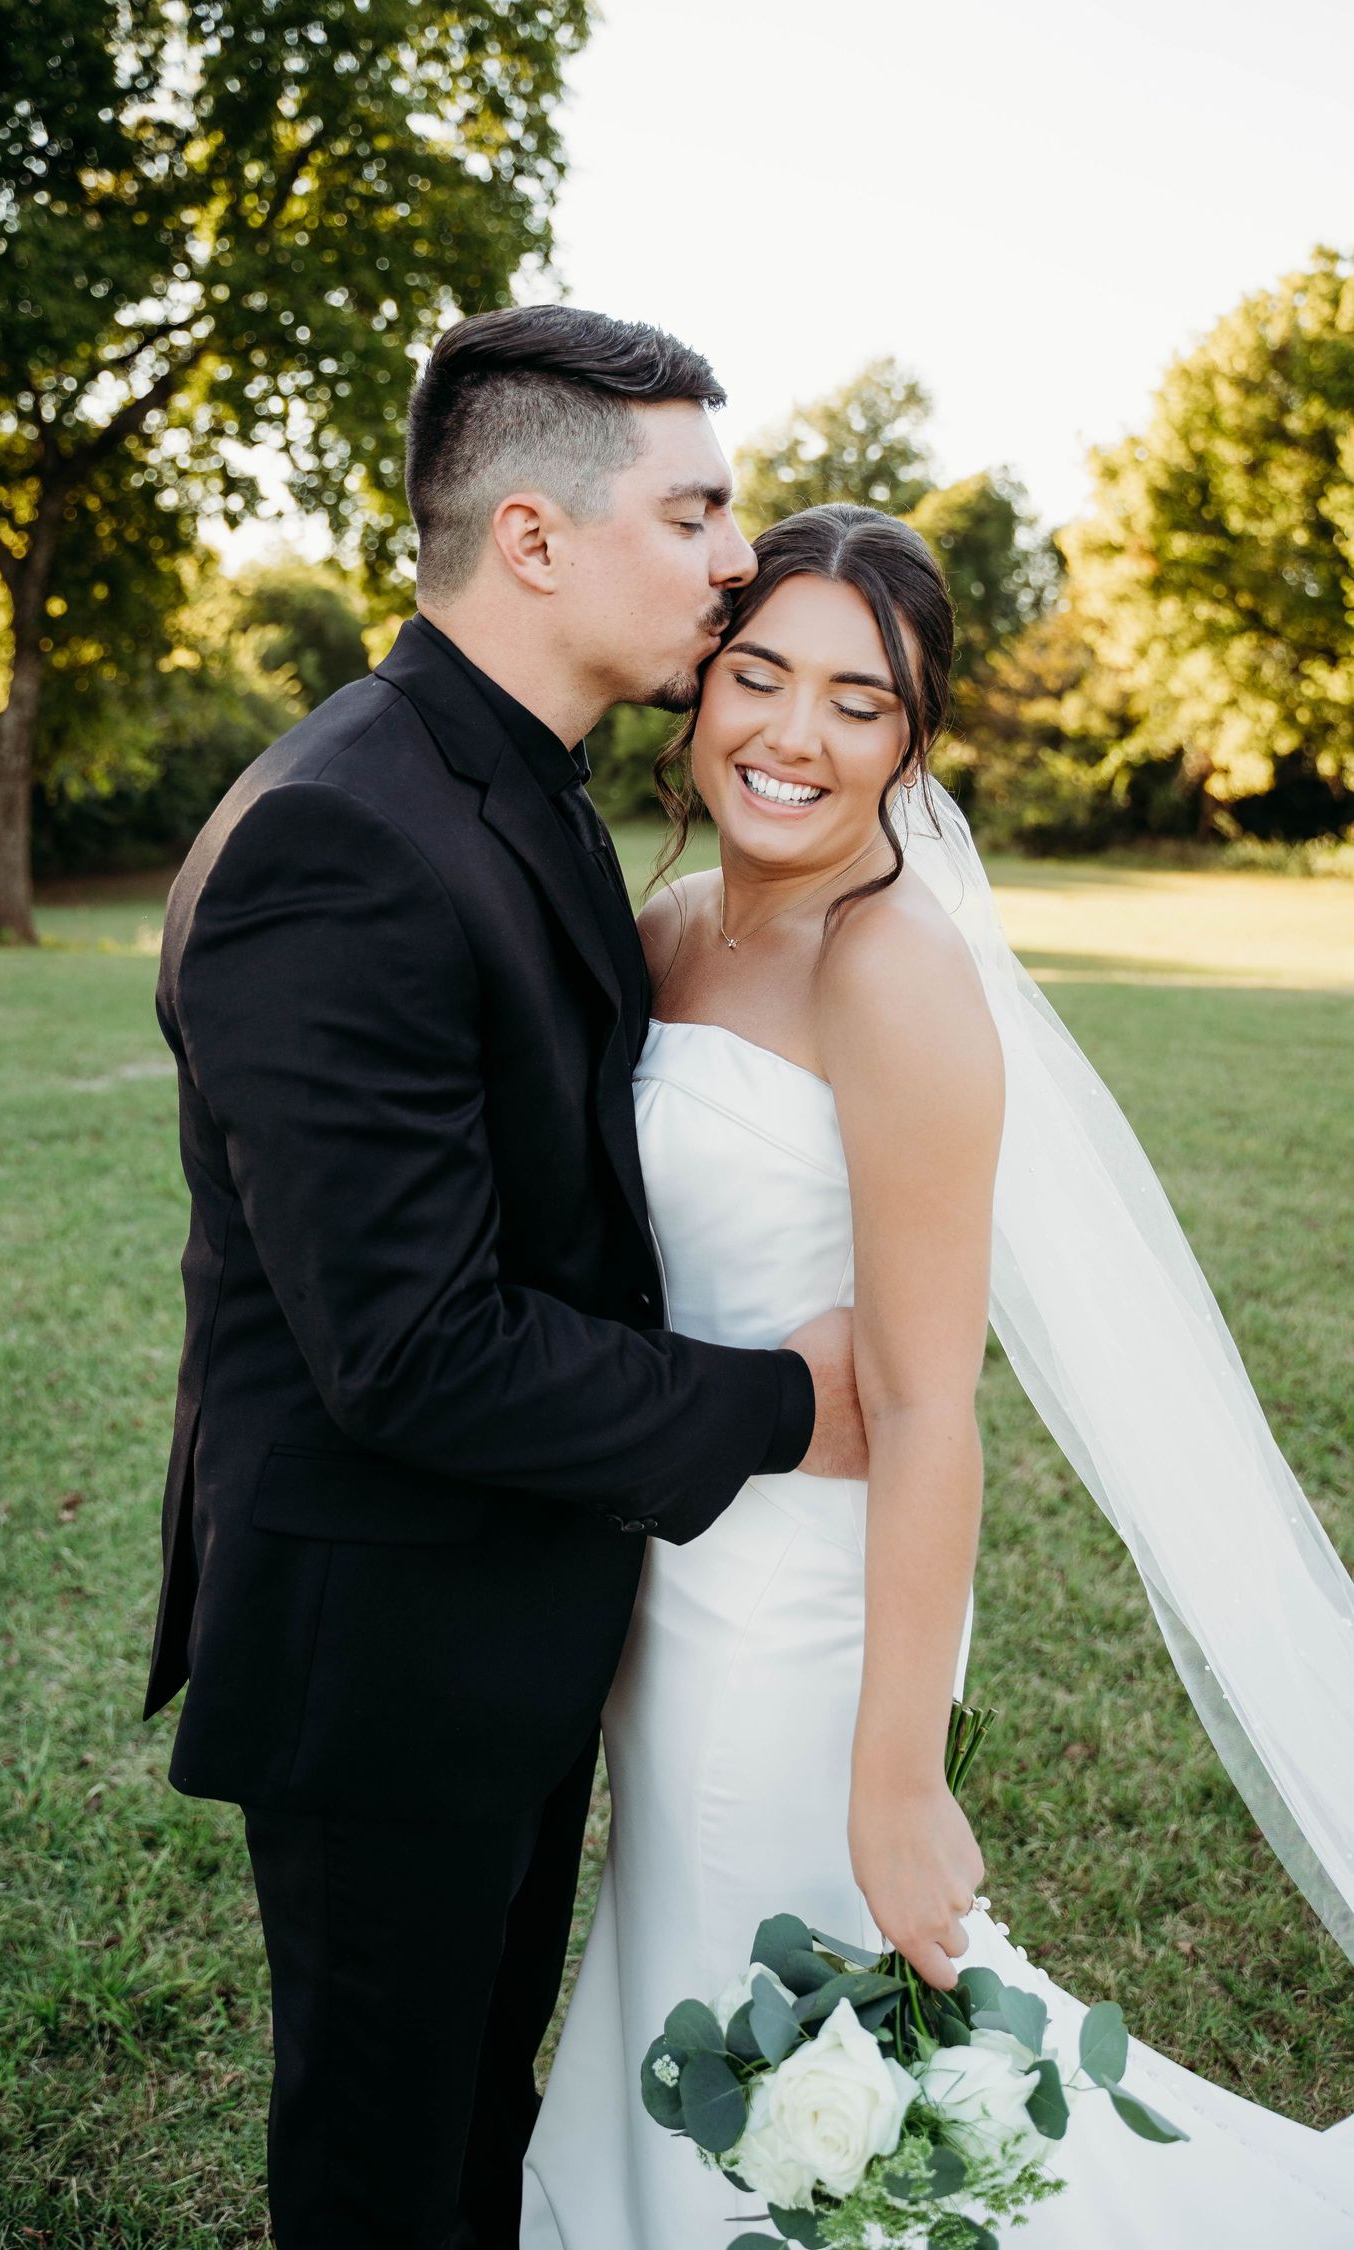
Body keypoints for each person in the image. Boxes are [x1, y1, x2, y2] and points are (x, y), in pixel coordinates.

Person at [520, 504, 1354, 2247]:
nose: (794, 735)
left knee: (795, 2005)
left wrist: (898, 1767)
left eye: (859, 702)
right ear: (700, 683)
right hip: (666, 1563)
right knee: (687, 1960)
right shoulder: (669, 929)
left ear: (911, 744)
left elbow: (925, 1402)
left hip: (809, 1607)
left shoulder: (892, 973)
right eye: (759, 675)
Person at [141, 308, 869, 2250]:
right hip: (391, 1653)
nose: (738, 554)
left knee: (481, 2119)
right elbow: (412, 1347)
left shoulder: (509, 785)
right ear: (535, 537)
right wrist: (789, 1399)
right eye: (697, 508)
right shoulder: (340, 839)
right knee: (394, 2157)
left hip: (505, 1614)